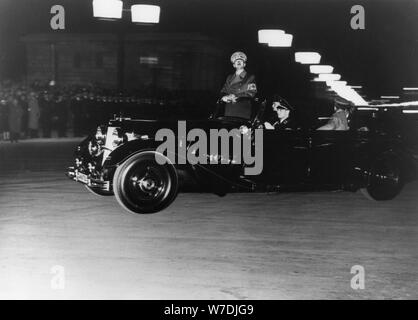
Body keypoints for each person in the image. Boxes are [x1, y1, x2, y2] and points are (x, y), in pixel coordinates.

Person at [220, 51, 257, 119]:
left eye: (241, 61)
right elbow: (223, 90)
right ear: (234, 65)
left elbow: (251, 93)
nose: (239, 62)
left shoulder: (250, 77)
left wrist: (236, 96)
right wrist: (223, 97)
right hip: (229, 109)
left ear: (244, 64)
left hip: (242, 109)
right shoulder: (229, 77)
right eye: (237, 61)